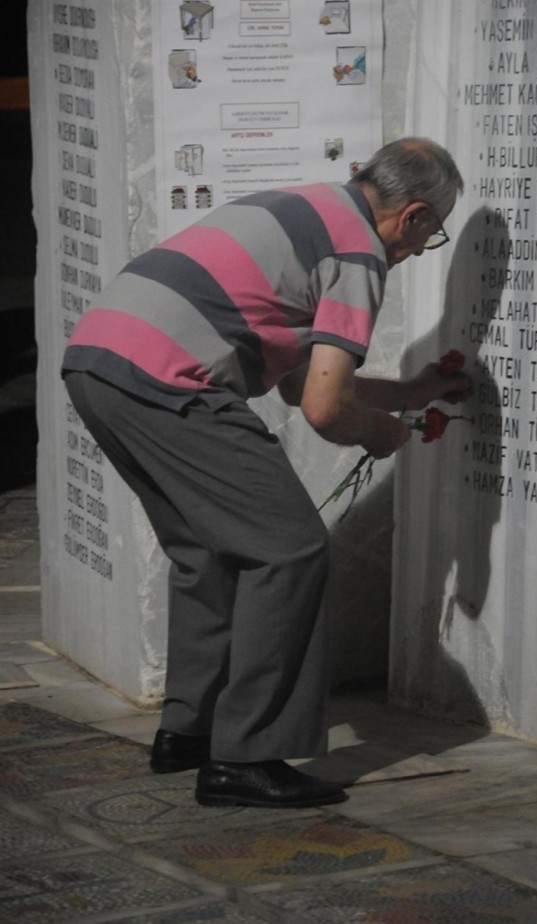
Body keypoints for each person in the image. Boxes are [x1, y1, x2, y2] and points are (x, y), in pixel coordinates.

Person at [62, 137, 470, 809]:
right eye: (427, 239)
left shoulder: (311, 206)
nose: (416, 250)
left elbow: (302, 383)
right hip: (170, 381)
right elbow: (324, 409)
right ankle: (244, 757)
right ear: (416, 216)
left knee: (208, 551)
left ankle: (190, 732)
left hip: (99, 362)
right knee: (291, 549)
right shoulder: (358, 249)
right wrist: (382, 435)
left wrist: (408, 393)